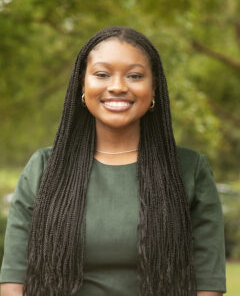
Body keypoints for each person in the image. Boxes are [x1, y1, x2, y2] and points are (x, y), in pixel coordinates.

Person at [0, 26, 226, 296]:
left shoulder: (190, 170)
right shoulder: (43, 169)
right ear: (82, 85)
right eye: (102, 74)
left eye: (134, 75)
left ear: (153, 87)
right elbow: (14, 279)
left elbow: (208, 283)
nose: (118, 86)